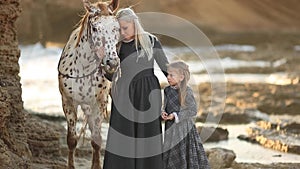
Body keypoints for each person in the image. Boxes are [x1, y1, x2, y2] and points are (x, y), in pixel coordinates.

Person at [103, 8, 169, 169]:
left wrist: (179, 93)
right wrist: (103, 62)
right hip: (124, 94)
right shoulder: (117, 47)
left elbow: (167, 70)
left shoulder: (151, 41)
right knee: (122, 136)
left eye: (125, 28)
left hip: (148, 93)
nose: (123, 32)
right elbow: (112, 77)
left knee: (148, 135)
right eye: (119, 29)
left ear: (134, 23)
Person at [161, 61, 210, 169]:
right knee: (171, 153)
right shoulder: (167, 90)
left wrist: (175, 115)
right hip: (170, 129)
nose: (168, 77)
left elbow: (193, 110)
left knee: (184, 153)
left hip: (184, 129)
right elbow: (165, 105)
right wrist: (163, 112)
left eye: (171, 75)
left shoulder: (187, 91)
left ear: (181, 77)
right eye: (168, 74)